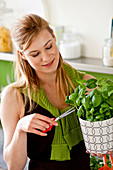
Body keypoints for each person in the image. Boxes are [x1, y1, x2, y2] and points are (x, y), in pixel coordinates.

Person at [0, 13, 112, 170]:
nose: (46, 58)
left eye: (49, 46)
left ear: (54, 37)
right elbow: (14, 166)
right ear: (22, 55)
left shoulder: (88, 85)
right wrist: (21, 127)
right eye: (35, 54)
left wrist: (106, 146)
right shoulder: (13, 97)